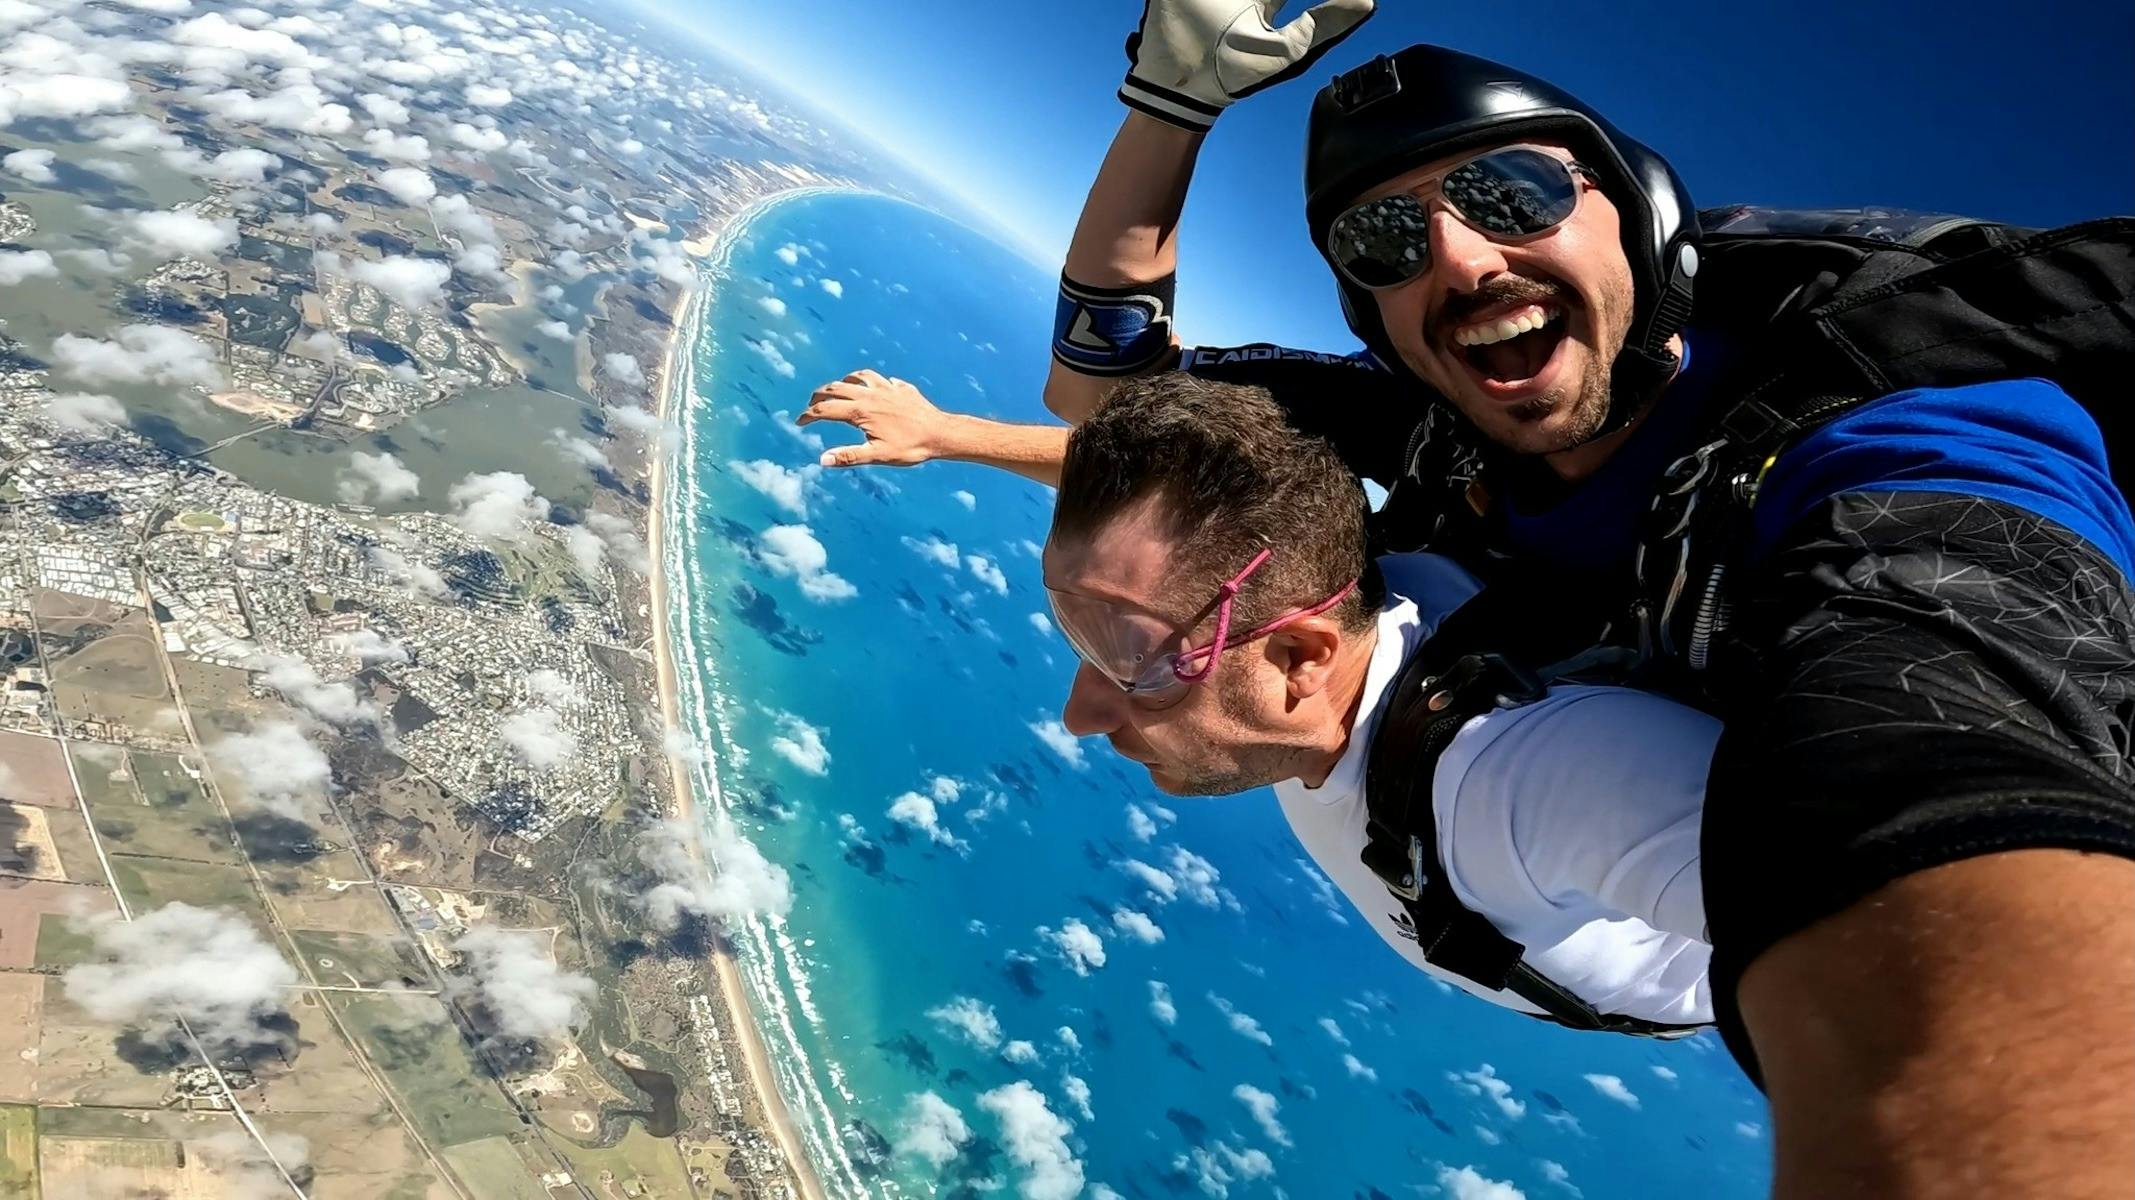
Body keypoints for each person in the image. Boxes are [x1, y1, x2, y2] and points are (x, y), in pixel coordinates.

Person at [803, 3, 2135, 1193]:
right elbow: (1125, 417)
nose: (1455, 256)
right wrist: (1164, 116)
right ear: (1374, 314)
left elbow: (1929, 748)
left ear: (1638, 210)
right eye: (1386, 238)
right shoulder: (1443, 420)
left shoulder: (1911, 434)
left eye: (1506, 193)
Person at [1047, 370, 1720, 1032]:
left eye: (1133, 663)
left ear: (1300, 660)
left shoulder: (1533, 782)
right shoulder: (1320, 589)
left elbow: (1827, 949)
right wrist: (953, 436)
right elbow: (1156, 559)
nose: (1079, 716)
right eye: (1082, 637)